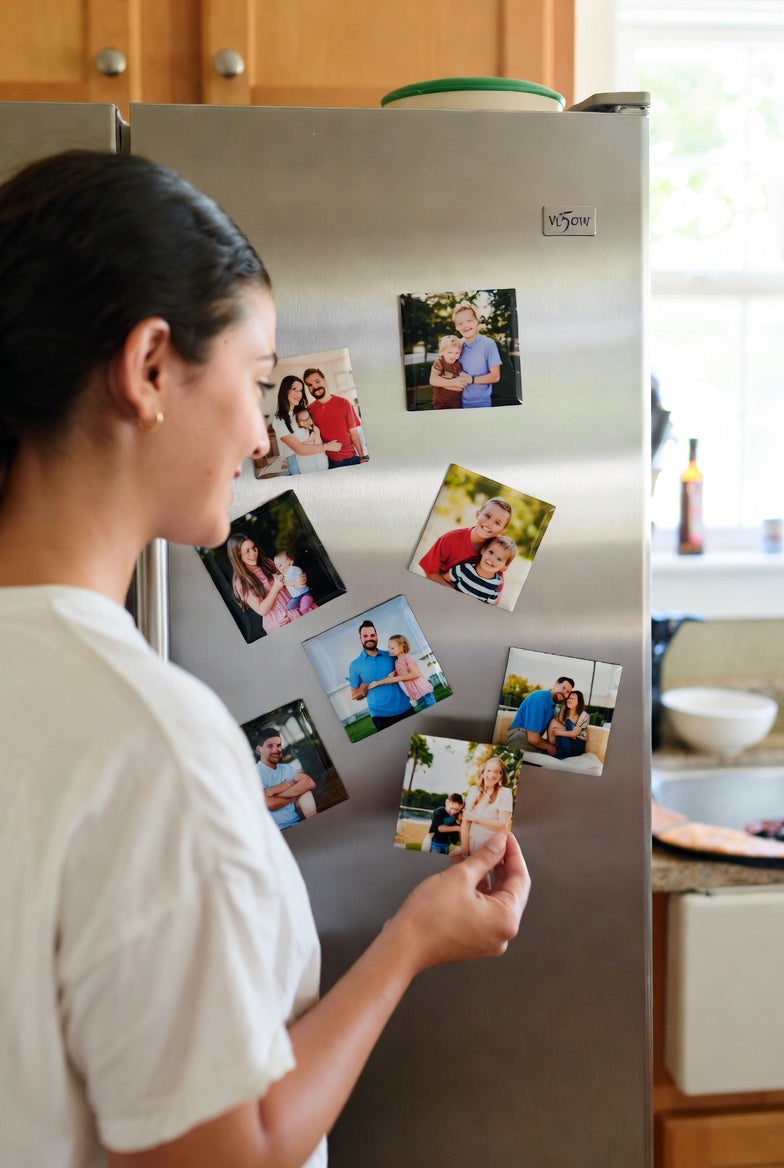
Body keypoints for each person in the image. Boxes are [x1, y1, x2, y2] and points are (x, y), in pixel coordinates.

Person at [0, 149, 530, 1168]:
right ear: (150, 366)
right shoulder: (144, 731)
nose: (259, 432)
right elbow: (224, 1154)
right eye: (254, 379)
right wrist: (411, 942)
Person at [418, 496, 513, 587]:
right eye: (487, 516)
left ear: (501, 531)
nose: (489, 524)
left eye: (497, 523)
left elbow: (495, 593)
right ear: (477, 514)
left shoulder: (497, 555)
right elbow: (429, 570)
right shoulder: (451, 538)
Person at [227, 532, 303, 634]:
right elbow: (261, 610)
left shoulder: (267, 563)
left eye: (254, 548)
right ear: (237, 555)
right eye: (247, 551)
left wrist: (297, 580)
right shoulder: (242, 582)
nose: (253, 553)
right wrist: (275, 588)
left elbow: (288, 580)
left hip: (298, 609)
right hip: (281, 623)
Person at [348, 620, 416, 731]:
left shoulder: (391, 655)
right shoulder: (355, 665)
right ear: (360, 639)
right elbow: (355, 695)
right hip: (380, 717)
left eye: (372, 635)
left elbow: (408, 672)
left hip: (405, 709)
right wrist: (363, 689)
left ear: (377, 637)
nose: (369, 638)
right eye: (365, 636)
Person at [272, 374, 340, 474]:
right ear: (286, 391)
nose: (298, 394)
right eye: (294, 389)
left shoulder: (302, 412)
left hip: (320, 462)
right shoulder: (279, 419)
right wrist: (328, 447)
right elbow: (300, 449)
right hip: (298, 465)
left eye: (300, 390)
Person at [303, 366, 367, 469]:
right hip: (327, 462)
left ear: (325, 381)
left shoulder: (344, 403)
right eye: (310, 385)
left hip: (351, 460)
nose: (314, 387)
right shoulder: (309, 411)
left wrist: (362, 457)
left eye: (317, 381)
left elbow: (354, 434)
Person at [255, 728, 318, 829]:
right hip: (278, 832)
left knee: (306, 792)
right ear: (259, 749)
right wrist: (294, 793)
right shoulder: (255, 773)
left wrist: (275, 793)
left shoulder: (285, 768)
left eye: (278, 745)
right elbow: (269, 804)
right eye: (270, 746)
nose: (276, 750)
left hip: (298, 824)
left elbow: (309, 782)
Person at [450, 302, 501, 409]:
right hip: (458, 404)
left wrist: (471, 379)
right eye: (460, 323)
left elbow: (495, 376)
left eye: (469, 320)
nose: (465, 326)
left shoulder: (488, 344)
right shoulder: (457, 346)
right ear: (456, 327)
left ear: (476, 321)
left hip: (482, 404)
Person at [366, 633, 436, 711]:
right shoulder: (397, 662)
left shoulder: (407, 658)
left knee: (432, 709)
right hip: (416, 694)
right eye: (389, 647)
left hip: (423, 692)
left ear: (402, 647)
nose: (389, 649)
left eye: (392, 648)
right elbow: (397, 673)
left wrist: (398, 678)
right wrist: (381, 680)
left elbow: (416, 673)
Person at [507, 676, 575, 755]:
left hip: (531, 738)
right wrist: (548, 747)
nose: (565, 694)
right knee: (557, 754)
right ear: (556, 684)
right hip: (519, 736)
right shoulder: (540, 698)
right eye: (563, 688)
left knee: (560, 751)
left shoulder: (553, 707)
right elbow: (533, 738)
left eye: (568, 692)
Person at [461, 757, 514, 855]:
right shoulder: (473, 791)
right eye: (488, 770)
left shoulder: (505, 793)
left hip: (491, 848)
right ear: (483, 772)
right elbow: (466, 822)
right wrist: (465, 852)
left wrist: (476, 818)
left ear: (501, 776)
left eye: (497, 771)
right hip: (471, 845)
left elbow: (502, 826)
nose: (491, 775)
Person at [448, 534, 517, 605]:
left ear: (504, 567)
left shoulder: (495, 585)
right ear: (483, 550)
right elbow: (445, 580)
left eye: (499, 559)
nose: (492, 559)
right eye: (491, 552)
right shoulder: (464, 569)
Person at [547, 689, 589, 760]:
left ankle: (562, 754)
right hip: (565, 743)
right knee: (555, 722)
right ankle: (558, 752)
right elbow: (554, 725)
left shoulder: (584, 715)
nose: (569, 700)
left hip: (577, 744)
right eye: (568, 698)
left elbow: (574, 734)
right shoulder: (564, 713)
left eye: (572, 698)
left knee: (568, 723)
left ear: (579, 702)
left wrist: (557, 732)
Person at [428, 333, 466, 410]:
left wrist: (442, 383)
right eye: (449, 352)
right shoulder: (439, 363)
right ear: (442, 352)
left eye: (457, 353)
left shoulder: (458, 364)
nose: (453, 356)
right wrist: (454, 382)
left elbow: (461, 387)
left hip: (456, 403)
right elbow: (433, 380)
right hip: (441, 403)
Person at [273, 549, 317, 614]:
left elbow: (298, 580)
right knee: (289, 607)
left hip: (305, 594)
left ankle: (307, 606)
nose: (280, 569)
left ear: (290, 562)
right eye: (277, 567)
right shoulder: (285, 574)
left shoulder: (294, 569)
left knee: (303, 609)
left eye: (281, 565)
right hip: (296, 597)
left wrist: (286, 583)